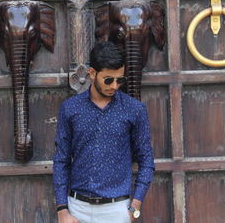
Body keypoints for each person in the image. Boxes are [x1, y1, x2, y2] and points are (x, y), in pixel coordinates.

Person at [53, 41, 155, 223]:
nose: (115, 86)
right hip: (77, 208)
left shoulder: (134, 110)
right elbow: (61, 160)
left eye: (120, 80)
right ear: (92, 74)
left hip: (116, 210)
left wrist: (136, 204)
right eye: (108, 79)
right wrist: (62, 209)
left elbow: (146, 160)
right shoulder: (70, 109)